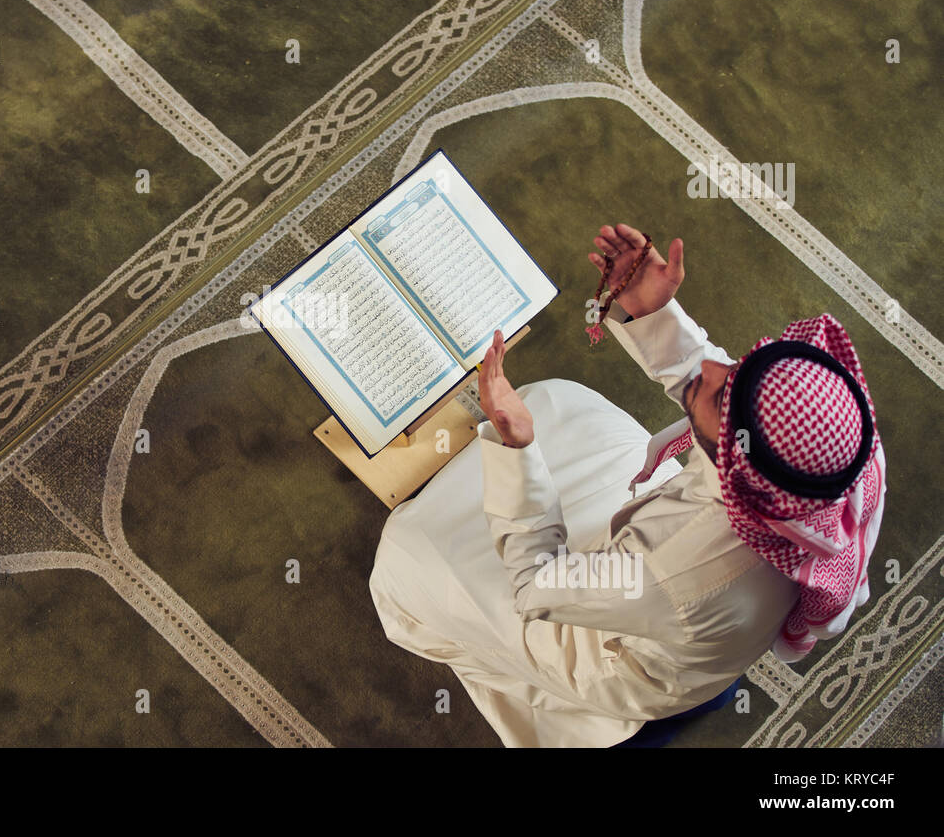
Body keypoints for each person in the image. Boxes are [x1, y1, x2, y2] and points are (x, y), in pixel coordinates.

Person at [368, 224, 886, 747]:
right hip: (684, 596)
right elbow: (710, 383)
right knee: (556, 401)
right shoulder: (836, 454)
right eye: (736, 371)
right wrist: (653, 310)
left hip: (633, 632)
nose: (711, 365)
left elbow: (534, 583)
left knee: (408, 554)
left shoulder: (678, 569)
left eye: (720, 388)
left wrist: (519, 449)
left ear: (732, 464)